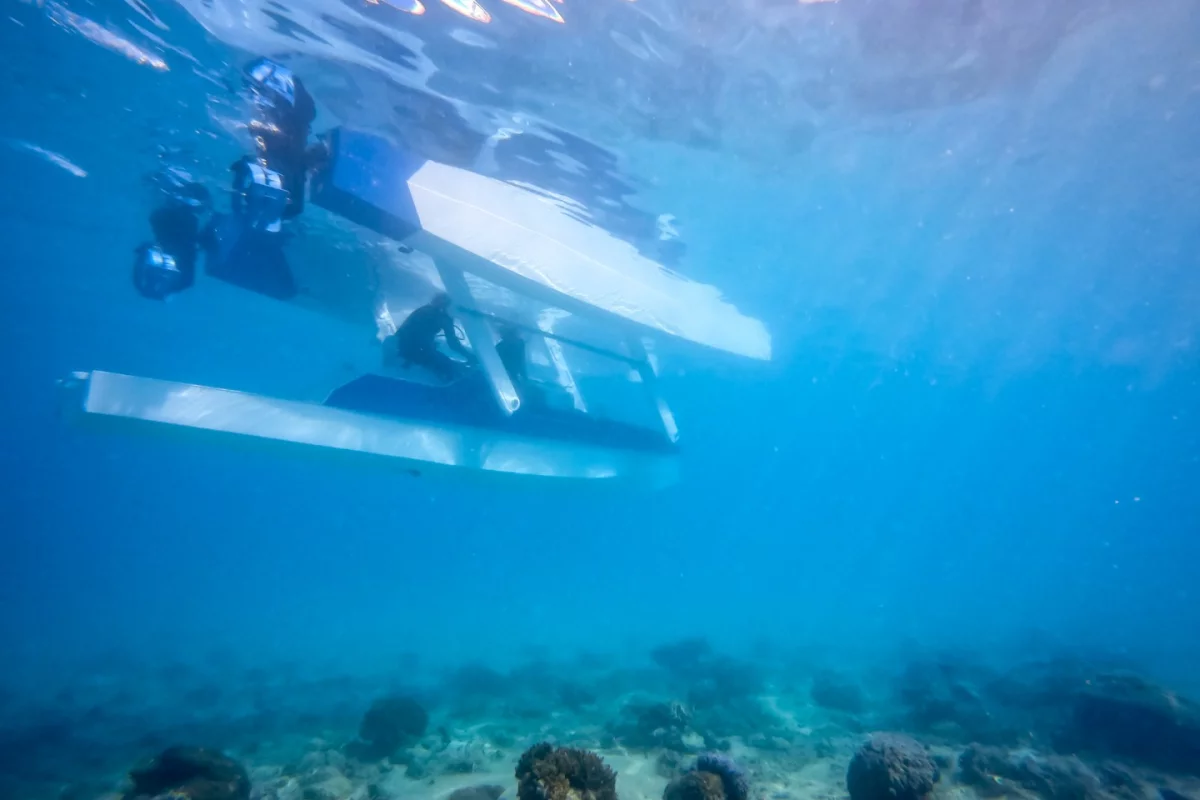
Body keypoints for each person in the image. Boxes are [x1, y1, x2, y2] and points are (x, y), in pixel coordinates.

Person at [394, 293, 474, 382]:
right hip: (414, 350)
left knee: (446, 363)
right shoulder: (443, 317)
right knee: (450, 368)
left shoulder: (423, 310)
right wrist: (470, 356)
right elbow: (452, 343)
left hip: (401, 346)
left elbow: (405, 331)